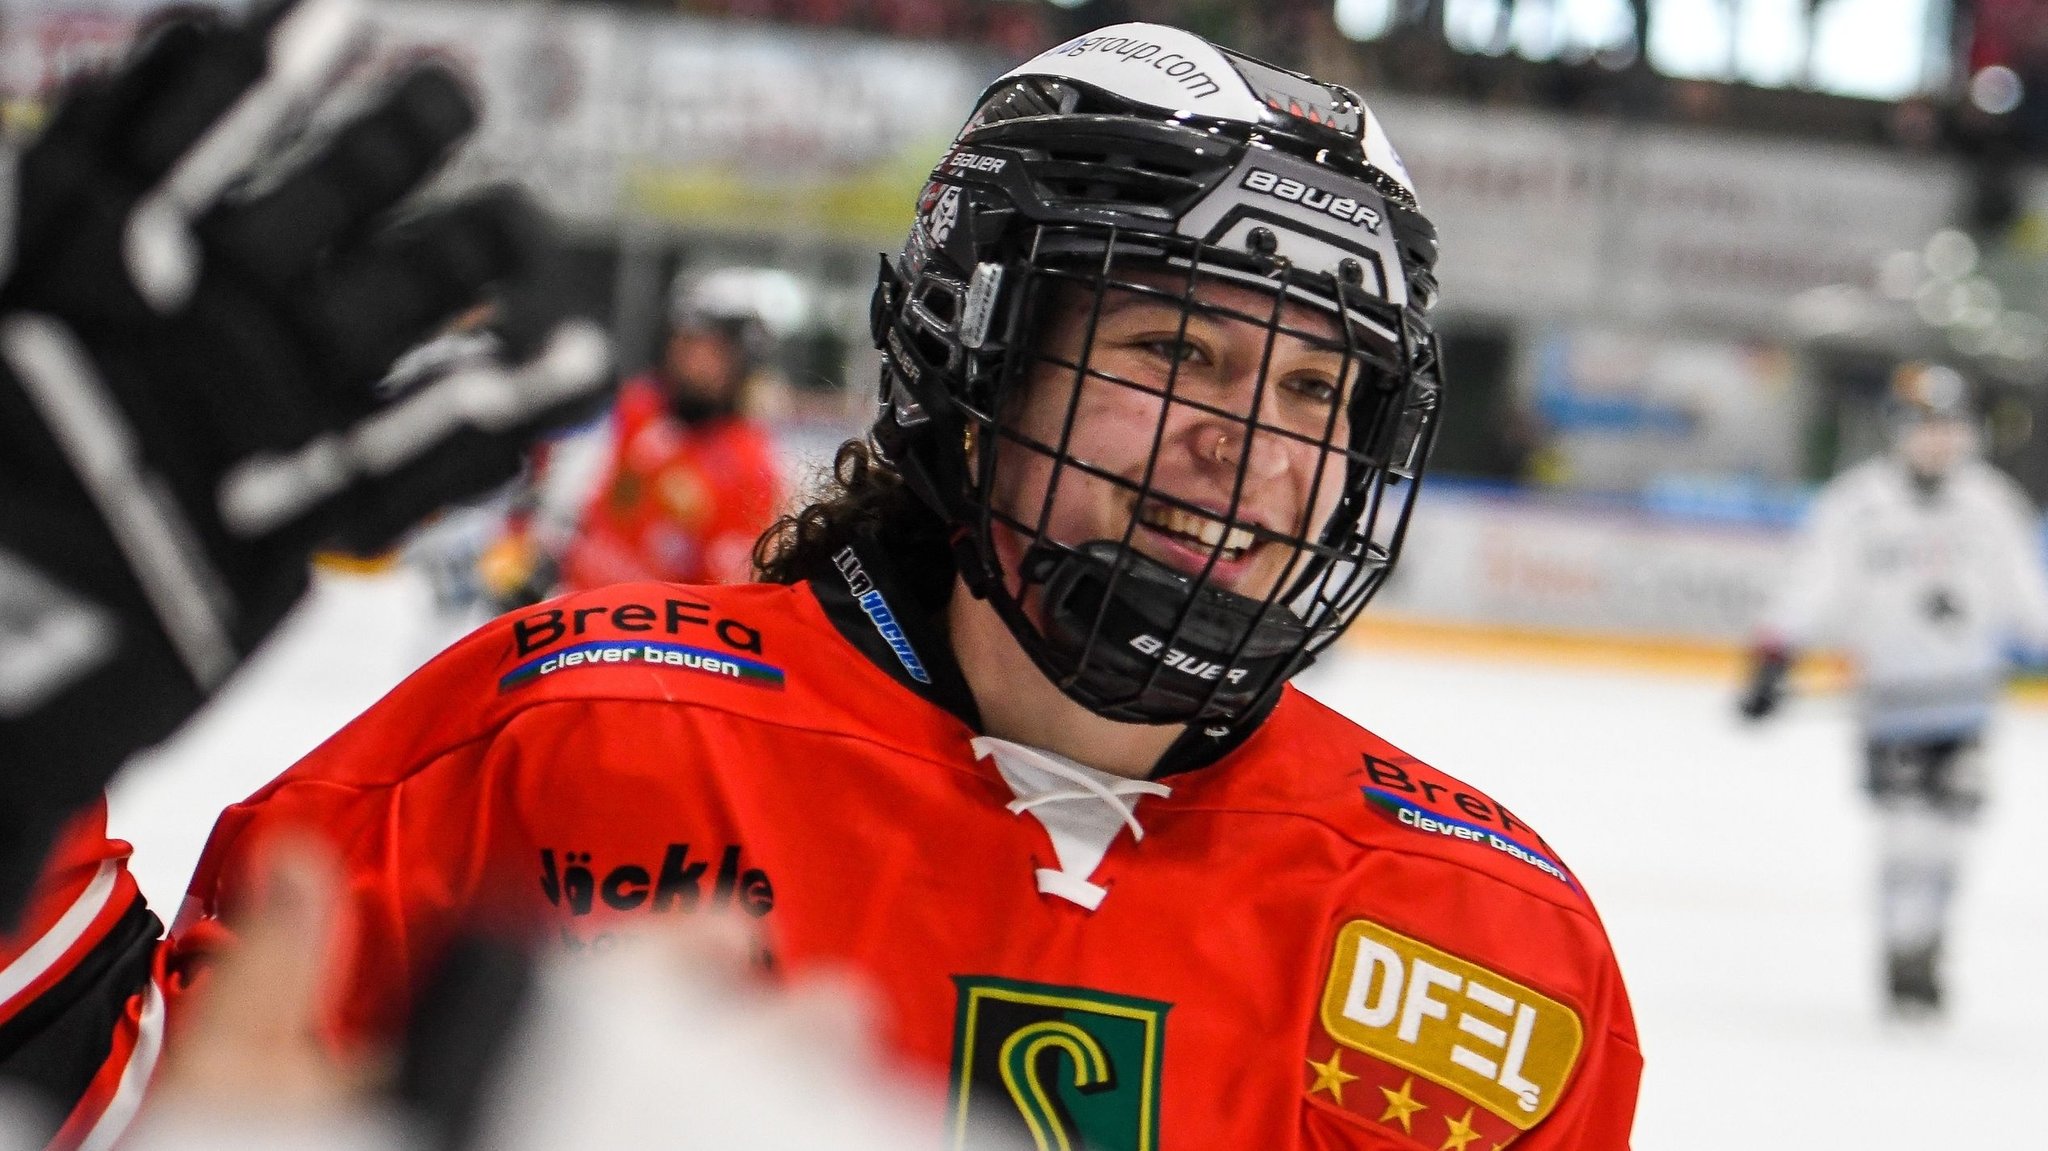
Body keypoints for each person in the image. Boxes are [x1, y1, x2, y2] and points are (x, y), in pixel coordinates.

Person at [5, 22, 1642, 1150]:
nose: (1250, 451)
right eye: (1174, 350)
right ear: (972, 351)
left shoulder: (1493, 953)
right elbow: (156, 1107)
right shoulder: (564, 745)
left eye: (1311, 396)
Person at [1739, 361, 2048, 1016]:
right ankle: (1900, 946)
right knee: (1904, 834)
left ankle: (1928, 943)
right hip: (1891, 706)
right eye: (1925, 426)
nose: (1939, 440)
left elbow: (2027, 596)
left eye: (1951, 426)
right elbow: (1815, 586)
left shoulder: (1992, 505)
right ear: (1899, 430)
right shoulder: (1857, 505)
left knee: (1952, 838)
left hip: (1964, 703)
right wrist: (1776, 653)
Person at [478, 272, 786, 608]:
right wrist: (534, 560)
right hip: (569, 607)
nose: (688, 360)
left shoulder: (750, 468)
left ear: (742, 360)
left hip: (646, 644)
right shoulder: (637, 405)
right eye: (684, 342)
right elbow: (563, 489)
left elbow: (726, 596)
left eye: (709, 350)